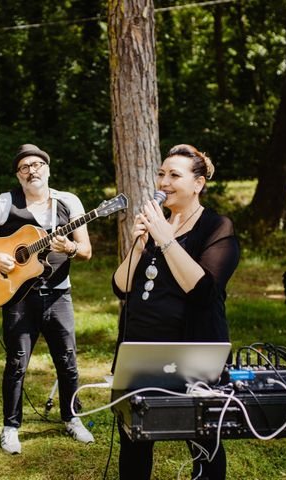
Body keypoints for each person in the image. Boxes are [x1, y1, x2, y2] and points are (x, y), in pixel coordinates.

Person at [112, 144, 240, 479]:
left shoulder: (217, 228)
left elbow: (202, 291)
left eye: (174, 175)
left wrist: (166, 238)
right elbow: (121, 287)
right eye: (161, 174)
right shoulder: (155, 229)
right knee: (134, 436)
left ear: (197, 184)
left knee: (202, 437)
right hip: (141, 349)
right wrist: (139, 244)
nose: (164, 182)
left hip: (190, 351)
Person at [0, 143, 95, 455]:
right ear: (18, 175)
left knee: (67, 360)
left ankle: (72, 418)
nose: (32, 171)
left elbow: (85, 250)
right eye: (25, 167)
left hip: (59, 293)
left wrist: (69, 248)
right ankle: (11, 427)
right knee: (17, 363)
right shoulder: (6, 202)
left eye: (37, 165)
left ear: (47, 168)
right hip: (18, 296)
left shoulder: (68, 201)